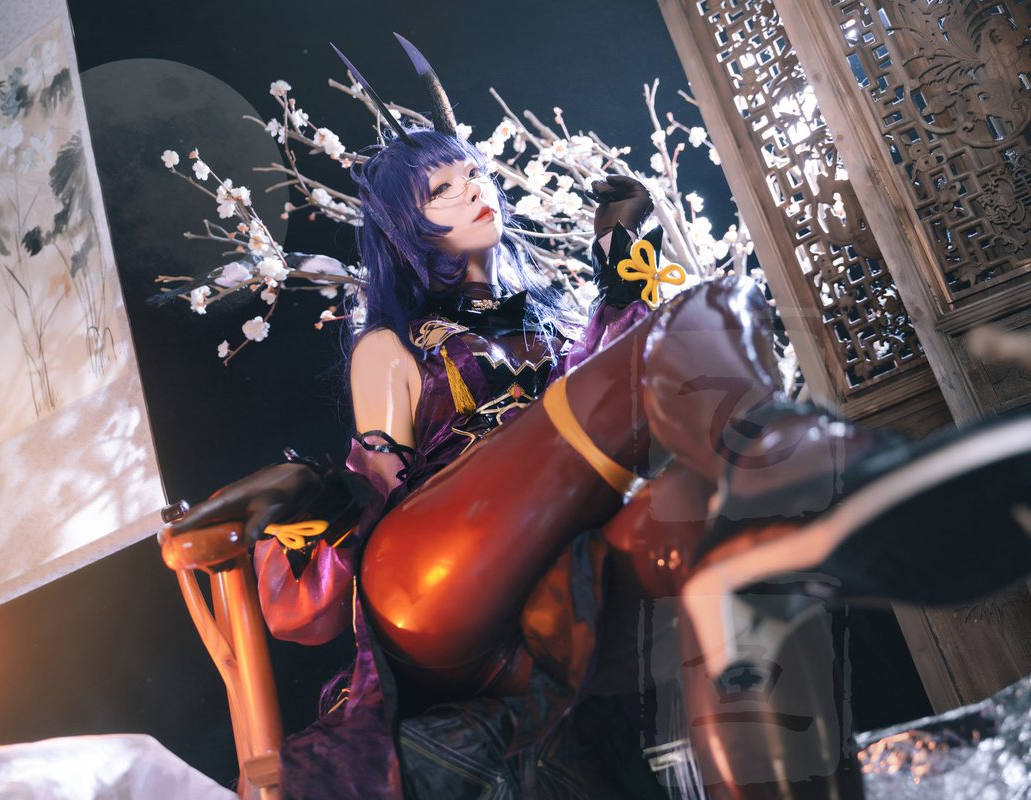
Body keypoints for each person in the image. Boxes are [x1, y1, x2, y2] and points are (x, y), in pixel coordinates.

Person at [171, 36, 1031, 800]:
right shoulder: (391, 348)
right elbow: (379, 495)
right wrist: (309, 495)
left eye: (475, 172)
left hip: (556, 572)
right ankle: (826, 472)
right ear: (406, 229)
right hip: (436, 583)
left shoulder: (545, 325)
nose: (475, 188)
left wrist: (620, 270)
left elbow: (612, 398)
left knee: (721, 534)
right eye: (443, 188)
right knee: (700, 322)